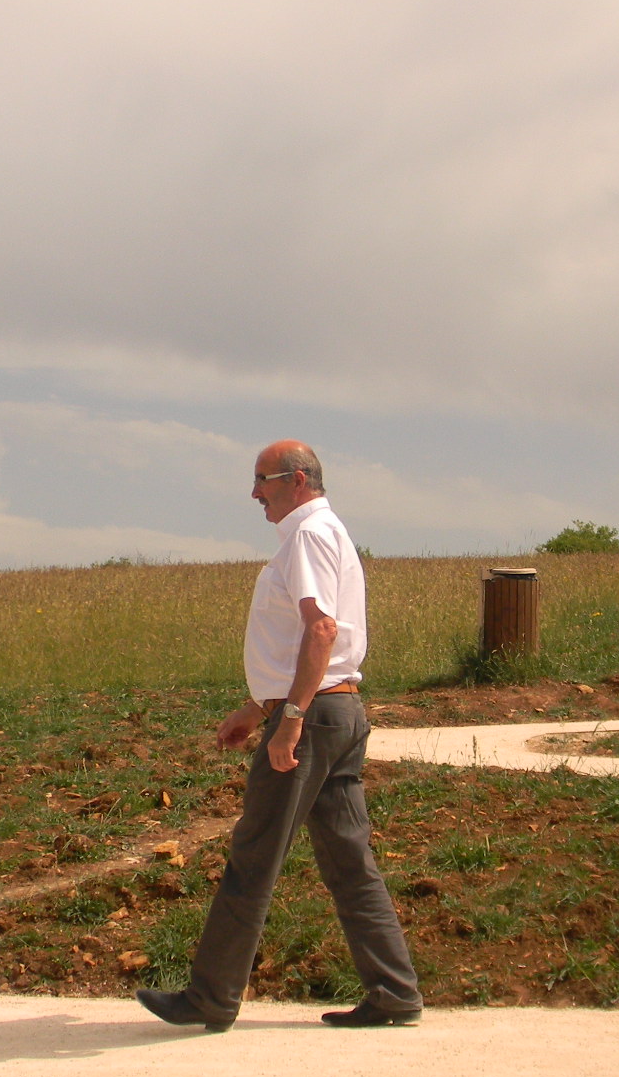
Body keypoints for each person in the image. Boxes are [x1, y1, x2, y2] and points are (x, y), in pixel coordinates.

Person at [136, 440, 421, 1032]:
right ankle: (394, 992)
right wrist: (254, 707)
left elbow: (320, 629)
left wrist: (287, 718)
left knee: (254, 854)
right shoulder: (322, 531)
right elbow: (305, 641)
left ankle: (210, 998)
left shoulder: (308, 535)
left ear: (295, 479)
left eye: (261, 480)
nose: (254, 492)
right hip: (337, 712)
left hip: (313, 719)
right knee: (349, 860)